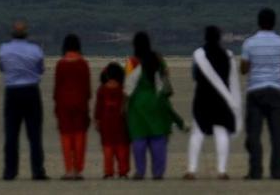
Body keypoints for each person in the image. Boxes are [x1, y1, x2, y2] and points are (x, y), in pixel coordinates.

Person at [185, 26, 242, 180]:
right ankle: (222, 171)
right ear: (219, 37)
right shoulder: (228, 55)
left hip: (202, 97)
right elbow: (232, 79)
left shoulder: (198, 54)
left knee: (197, 132)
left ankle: (191, 170)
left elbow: (195, 75)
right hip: (221, 99)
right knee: (221, 131)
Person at [240, 8, 280, 180]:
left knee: (254, 135)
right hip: (276, 90)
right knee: (277, 135)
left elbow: (244, 69)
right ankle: (277, 171)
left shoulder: (249, 43)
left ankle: (255, 171)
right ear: (274, 22)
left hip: (255, 91)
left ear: (258, 22)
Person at [0, 20, 48, 180]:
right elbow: (41, 69)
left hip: (12, 92)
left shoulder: (3, 49)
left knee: (11, 134)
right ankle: (37, 170)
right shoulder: (35, 49)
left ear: (12, 32)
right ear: (26, 33)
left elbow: (2, 68)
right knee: (34, 134)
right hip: (31, 91)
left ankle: (10, 171)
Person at [124, 31, 174, 180]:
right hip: (157, 101)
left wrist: (124, 104)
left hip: (138, 103)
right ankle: (158, 173)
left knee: (139, 138)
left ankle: (140, 171)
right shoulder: (158, 58)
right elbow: (166, 75)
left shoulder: (132, 62)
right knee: (158, 137)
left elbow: (128, 85)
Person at [53, 34, 91, 180]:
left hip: (63, 103)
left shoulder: (61, 64)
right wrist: (86, 103)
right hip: (80, 102)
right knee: (80, 136)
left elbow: (57, 87)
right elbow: (87, 87)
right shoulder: (83, 63)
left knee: (66, 137)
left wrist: (56, 104)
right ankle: (77, 168)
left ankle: (69, 169)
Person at [94, 62, 130, 179]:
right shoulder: (123, 90)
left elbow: (98, 107)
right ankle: (123, 171)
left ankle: (108, 172)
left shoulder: (102, 90)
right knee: (122, 148)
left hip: (106, 123)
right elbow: (126, 108)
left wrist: (97, 120)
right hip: (121, 123)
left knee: (107, 149)